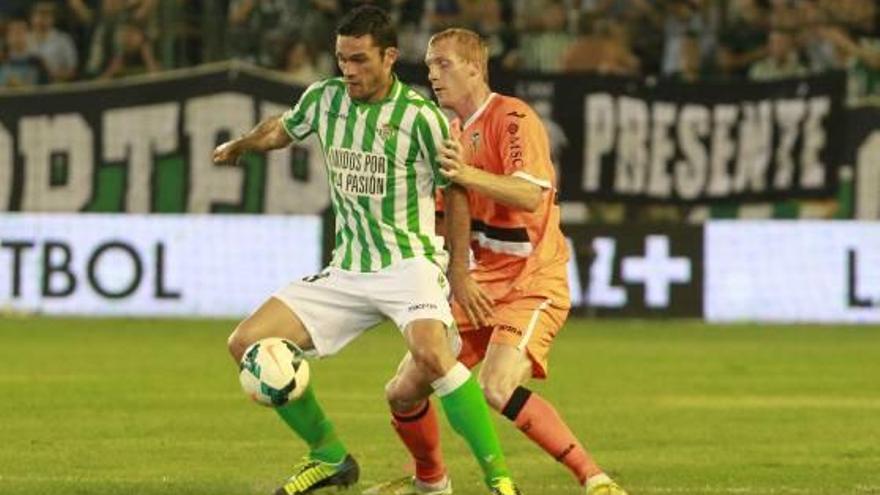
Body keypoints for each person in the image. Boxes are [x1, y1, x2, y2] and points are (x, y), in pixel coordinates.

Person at [212, 7, 521, 495]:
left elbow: (457, 192)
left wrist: (459, 271)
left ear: (390, 57)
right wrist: (244, 144)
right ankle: (329, 456)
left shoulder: (422, 118)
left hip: (410, 265)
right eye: (341, 59)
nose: (349, 71)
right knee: (246, 343)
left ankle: (500, 481)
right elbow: (283, 127)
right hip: (349, 269)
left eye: (359, 60)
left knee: (433, 355)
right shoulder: (325, 98)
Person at [364, 28, 628, 495]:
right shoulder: (448, 133)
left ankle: (595, 479)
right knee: (402, 392)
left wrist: (464, 172)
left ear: (474, 67)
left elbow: (529, 194)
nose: (432, 75)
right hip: (478, 285)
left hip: (532, 282)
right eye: (428, 66)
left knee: (496, 385)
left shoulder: (512, 118)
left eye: (442, 64)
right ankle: (430, 482)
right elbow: (446, 221)